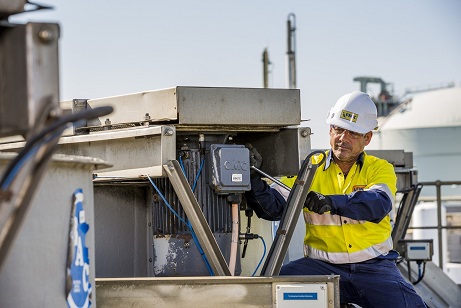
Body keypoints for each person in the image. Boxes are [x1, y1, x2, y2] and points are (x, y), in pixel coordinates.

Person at [244, 91, 426, 307]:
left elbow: (378, 204)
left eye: (353, 133)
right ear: (330, 130)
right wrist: (253, 177)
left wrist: (331, 202)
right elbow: (273, 208)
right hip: (318, 267)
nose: (343, 139)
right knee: (265, 295)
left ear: (367, 138)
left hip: (375, 268)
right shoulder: (309, 167)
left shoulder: (379, 168)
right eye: (338, 129)